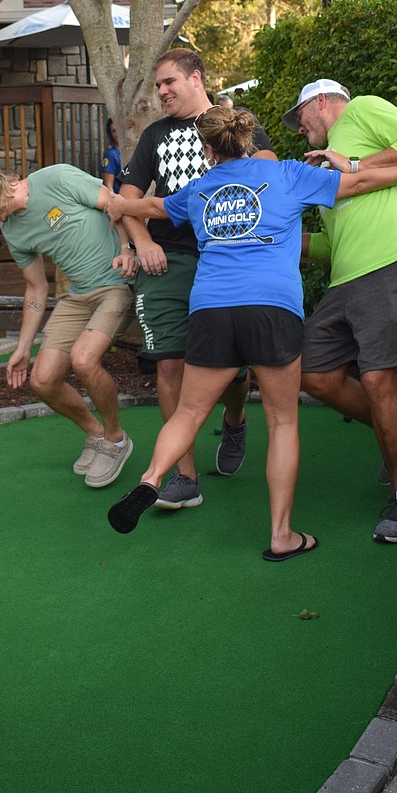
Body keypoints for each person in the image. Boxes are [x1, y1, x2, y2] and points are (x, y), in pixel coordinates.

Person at [105, 107, 397, 556]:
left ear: (208, 151)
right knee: (283, 421)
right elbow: (360, 182)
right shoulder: (287, 174)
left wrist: (116, 203)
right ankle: (282, 535)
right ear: (246, 141)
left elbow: (150, 206)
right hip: (271, 307)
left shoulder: (201, 188)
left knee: (189, 413)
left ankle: (151, 478)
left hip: (211, 309)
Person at [283, 78, 397, 544]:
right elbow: (331, 244)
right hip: (347, 280)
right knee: (314, 372)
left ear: (321, 103)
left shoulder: (363, 109)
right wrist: (268, 238)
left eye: (300, 119)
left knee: (377, 379)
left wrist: (351, 162)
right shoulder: (326, 169)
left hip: (394, 259)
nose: (299, 130)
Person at [119, 47, 277, 509]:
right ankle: (184, 477)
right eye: (157, 85)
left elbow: (268, 170)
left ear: (196, 78)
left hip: (225, 258)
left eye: (169, 82)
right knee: (170, 364)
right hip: (167, 259)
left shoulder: (234, 124)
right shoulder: (154, 135)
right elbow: (128, 197)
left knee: (231, 370)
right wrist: (140, 243)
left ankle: (234, 420)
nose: (162, 92)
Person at [0, 158, 137, 488]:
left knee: (84, 360)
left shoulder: (55, 178)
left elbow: (115, 203)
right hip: (77, 297)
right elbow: (36, 287)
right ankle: (96, 435)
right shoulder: (12, 231)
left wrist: (127, 247)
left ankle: (116, 439)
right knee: (42, 380)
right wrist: (23, 348)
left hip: (115, 284)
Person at [100, 118, 122, 194]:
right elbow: (108, 185)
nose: (117, 133)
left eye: (119, 129)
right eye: (113, 131)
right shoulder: (111, 155)